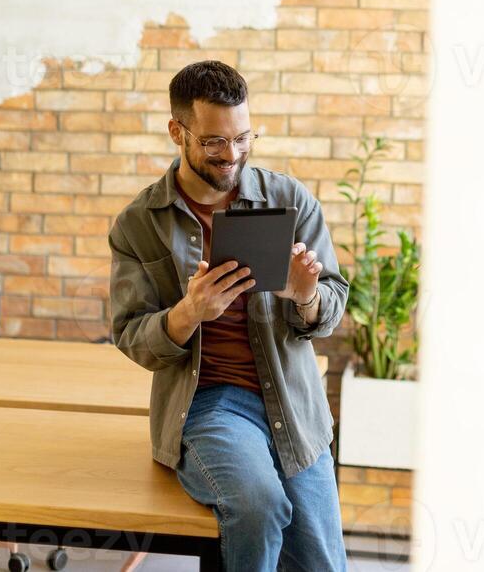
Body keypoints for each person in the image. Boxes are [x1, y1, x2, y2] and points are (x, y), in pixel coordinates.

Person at [108, 59, 349, 572]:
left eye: (244, 137)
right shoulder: (138, 224)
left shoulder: (290, 200)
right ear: (178, 131)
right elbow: (130, 335)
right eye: (215, 142)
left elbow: (330, 307)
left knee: (323, 565)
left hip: (292, 400)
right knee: (259, 507)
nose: (232, 154)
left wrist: (304, 296)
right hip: (209, 403)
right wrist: (188, 314)